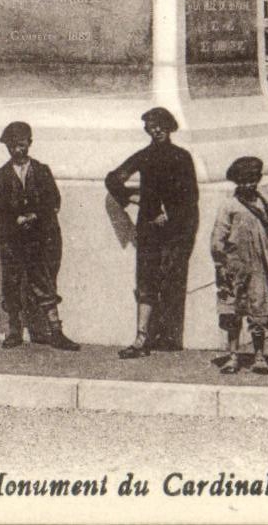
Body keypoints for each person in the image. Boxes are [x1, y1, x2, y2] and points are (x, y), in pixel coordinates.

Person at [104, 106, 199, 357]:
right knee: (145, 281)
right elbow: (113, 178)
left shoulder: (182, 157)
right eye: (152, 127)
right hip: (148, 229)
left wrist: (170, 214)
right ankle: (141, 338)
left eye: (161, 126)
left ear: (169, 129)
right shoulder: (143, 156)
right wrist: (131, 198)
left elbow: (192, 195)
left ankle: (168, 337)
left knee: (170, 280)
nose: (156, 130)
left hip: (176, 230)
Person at [0, 121, 80, 352]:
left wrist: (34, 216)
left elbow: (54, 201)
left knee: (44, 283)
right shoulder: (0, 175)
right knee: (11, 283)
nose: (17, 150)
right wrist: (13, 220)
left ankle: (55, 331)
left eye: (21, 145)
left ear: (29, 143)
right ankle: (14, 331)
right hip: (11, 239)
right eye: (12, 146)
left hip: (39, 239)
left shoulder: (42, 170)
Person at [210, 154, 268, 376]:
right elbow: (218, 238)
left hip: (259, 267)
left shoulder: (265, 204)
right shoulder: (229, 206)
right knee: (232, 313)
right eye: (244, 180)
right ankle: (232, 356)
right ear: (237, 182)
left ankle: (259, 356)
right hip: (234, 268)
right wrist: (220, 264)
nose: (249, 184)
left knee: (258, 314)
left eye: (253, 179)